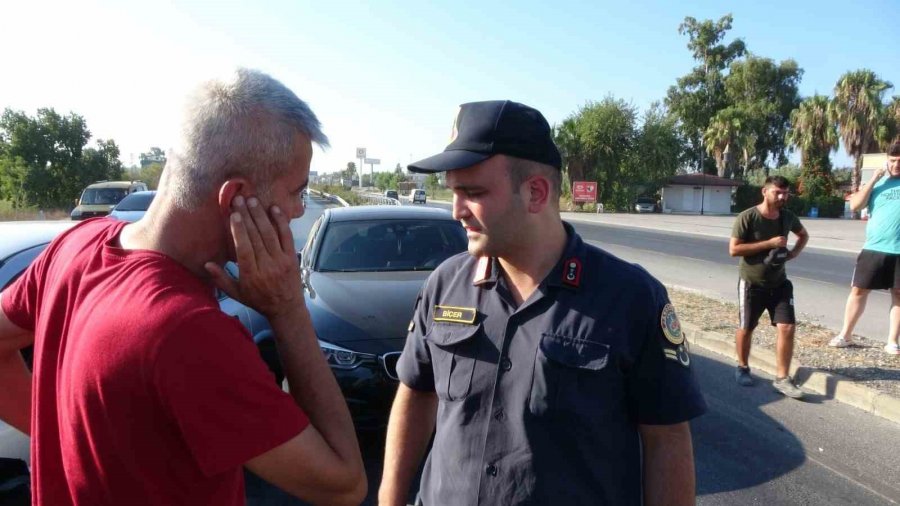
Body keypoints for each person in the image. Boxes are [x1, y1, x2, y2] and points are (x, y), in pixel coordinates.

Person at [0, 69, 366, 505]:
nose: (299, 210)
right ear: (236, 197)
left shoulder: (75, 246)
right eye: (296, 192)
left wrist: (61, 435)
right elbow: (344, 485)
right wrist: (288, 310)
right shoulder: (189, 331)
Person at [379, 100, 707, 506]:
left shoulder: (630, 298)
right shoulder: (446, 284)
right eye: (453, 192)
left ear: (536, 192)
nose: (456, 211)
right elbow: (415, 394)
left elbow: (666, 440)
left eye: (473, 193)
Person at [729, 176, 810, 398]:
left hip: (779, 283)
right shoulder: (748, 217)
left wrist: (794, 253)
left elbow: (803, 235)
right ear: (764, 192)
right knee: (746, 327)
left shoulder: (787, 217)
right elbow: (734, 250)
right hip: (751, 283)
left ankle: (782, 379)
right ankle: (742, 367)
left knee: (787, 327)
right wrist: (769, 243)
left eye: (786, 193)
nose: (782, 197)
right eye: (777, 192)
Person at [829, 141, 900, 355]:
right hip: (874, 248)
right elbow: (855, 205)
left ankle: (892, 341)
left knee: (898, 294)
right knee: (858, 290)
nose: (896, 164)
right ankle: (845, 335)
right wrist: (874, 179)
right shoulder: (878, 184)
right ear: (887, 160)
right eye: (893, 160)